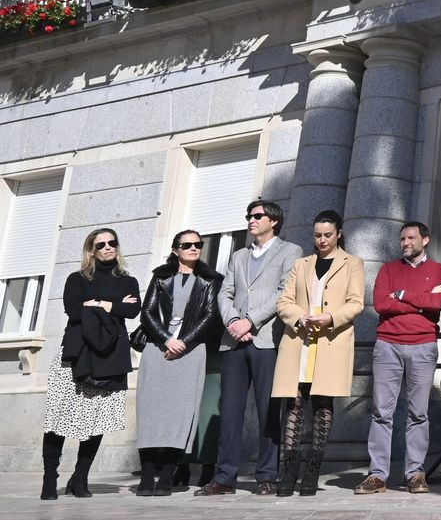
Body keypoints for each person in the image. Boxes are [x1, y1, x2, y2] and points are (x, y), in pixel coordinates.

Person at [199, 199, 301, 497]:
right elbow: (225, 292)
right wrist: (233, 321)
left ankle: (267, 475)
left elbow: (285, 291)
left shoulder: (290, 251)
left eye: (257, 215)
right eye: (249, 215)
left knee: (269, 411)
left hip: (266, 339)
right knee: (230, 412)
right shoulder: (239, 256)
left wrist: (251, 321)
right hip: (233, 341)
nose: (251, 220)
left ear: (274, 221)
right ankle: (224, 477)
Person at [40, 229, 140, 500]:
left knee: (97, 420)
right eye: (101, 244)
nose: (108, 247)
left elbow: (132, 310)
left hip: (110, 355)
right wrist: (112, 305)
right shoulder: (77, 278)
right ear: (91, 250)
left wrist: (96, 303)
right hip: (75, 352)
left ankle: (80, 477)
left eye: (112, 243)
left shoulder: (128, 281)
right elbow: (74, 310)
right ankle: (50, 477)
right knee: (58, 418)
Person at [271, 210, 366, 497]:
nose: (322, 240)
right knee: (294, 404)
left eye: (327, 235)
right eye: (317, 235)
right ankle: (289, 470)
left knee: (322, 404)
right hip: (300, 340)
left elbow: (356, 303)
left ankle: (312, 471)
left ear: (339, 234)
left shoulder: (353, 264)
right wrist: (299, 317)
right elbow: (284, 301)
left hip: (329, 341)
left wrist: (331, 318)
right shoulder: (302, 265)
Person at [355, 221, 441, 496]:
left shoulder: (440, 271)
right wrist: (420, 300)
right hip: (388, 345)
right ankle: (377, 476)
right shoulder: (388, 269)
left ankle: (415, 473)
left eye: (411, 238)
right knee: (381, 412)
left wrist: (404, 295)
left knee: (418, 413)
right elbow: (382, 303)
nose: (406, 242)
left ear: (426, 240)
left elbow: (437, 305)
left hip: (423, 345)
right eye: (402, 239)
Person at [134, 230, 221, 496]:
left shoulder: (210, 279)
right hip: (157, 349)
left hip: (191, 351)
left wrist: (183, 341)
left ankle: (168, 476)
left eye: (198, 244)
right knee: (150, 412)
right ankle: (148, 475)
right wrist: (166, 339)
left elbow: (209, 315)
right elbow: (146, 312)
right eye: (187, 245)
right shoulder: (161, 277)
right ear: (175, 249)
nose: (194, 249)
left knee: (180, 415)